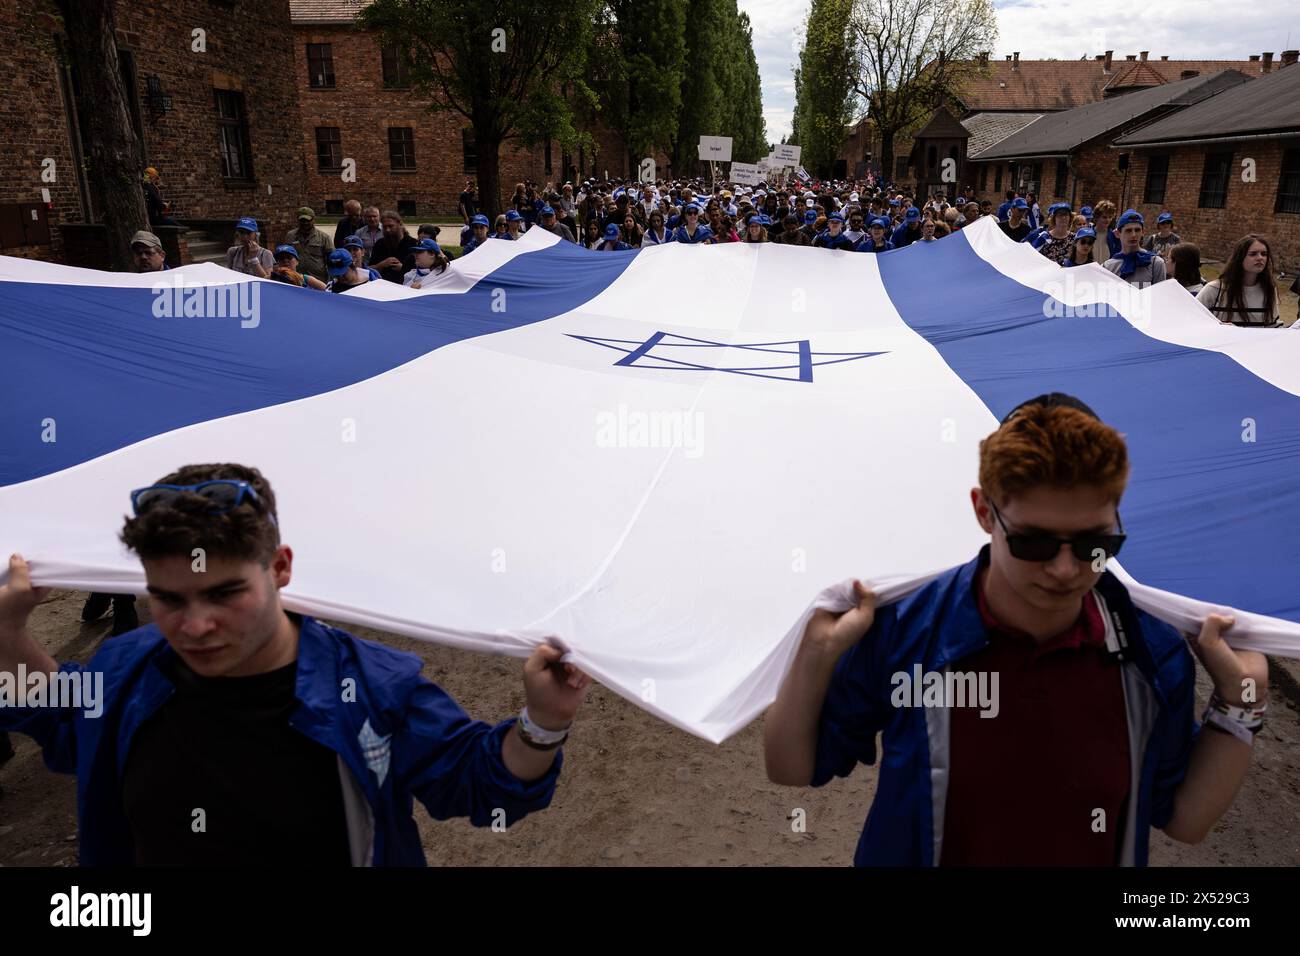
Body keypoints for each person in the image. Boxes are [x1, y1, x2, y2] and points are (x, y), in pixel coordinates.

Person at [764, 393, 1268, 866]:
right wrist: (816, 653)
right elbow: (792, 768)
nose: (1066, 569)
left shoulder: (1150, 650)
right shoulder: (908, 628)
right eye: (1035, 543)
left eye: (1096, 543)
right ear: (985, 512)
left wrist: (1242, 701)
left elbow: (1184, 818)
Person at [0, 464, 590, 865]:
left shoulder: (372, 688)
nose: (195, 626)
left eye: (225, 594)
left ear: (280, 567)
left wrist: (543, 720)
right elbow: (58, 717)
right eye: (169, 600)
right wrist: (7, 632)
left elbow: (485, 787)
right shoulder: (127, 667)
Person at [1196, 235, 1281, 327]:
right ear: (1240, 258)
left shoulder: (1269, 289)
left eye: (1264, 254)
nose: (1260, 258)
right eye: (1253, 254)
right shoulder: (1215, 289)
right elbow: (1192, 318)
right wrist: (1218, 328)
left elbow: (1273, 326)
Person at [1103, 210, 1166, 288]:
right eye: (1128, 230)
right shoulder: (1108, 266)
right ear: (1118, 234)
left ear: (1143, 232)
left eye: (1137, 230)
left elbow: (1160, 296)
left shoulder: (1155, 263)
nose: (1133, 235)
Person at [368, 210, 417, 284]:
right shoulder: (379, 244)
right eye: (385, 227)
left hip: (406, 287)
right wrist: (381, 265)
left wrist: (403, 268)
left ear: (400, 224)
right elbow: (369, 269)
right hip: (383, 286)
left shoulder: (413, 244)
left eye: (391, 226)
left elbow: (422, 271)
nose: (387, 230)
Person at [288, 208, 334, 283]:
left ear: (313, 220)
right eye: (302, 221)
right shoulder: (290, 236)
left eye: (308, 220)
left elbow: (331, 260)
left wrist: (332, 280)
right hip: (296, 279)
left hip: (318, 280)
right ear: (298, 220)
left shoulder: (324, 237)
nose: (305, 223)